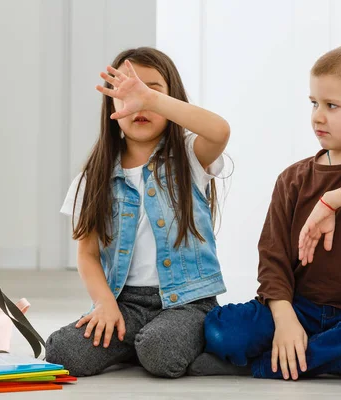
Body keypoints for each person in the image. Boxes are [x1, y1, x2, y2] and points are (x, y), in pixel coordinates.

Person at [196, 41, 341, 380]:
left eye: (331, 105)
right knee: (221, 329)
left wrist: (332, 201)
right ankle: (305, 352)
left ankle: (274, 364)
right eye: (314, 103)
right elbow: (273, 259)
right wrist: (284, 319)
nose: (317, 116)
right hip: (296, 307)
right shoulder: (293, 179)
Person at [45, 47, 230, 378]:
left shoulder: (190, 157)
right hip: (125, 304)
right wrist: (104, 304)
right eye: (126, 92)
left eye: (150, 91)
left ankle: (206, 351)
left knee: (160, 353)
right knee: (61, 351)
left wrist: (151, 100)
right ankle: (138, 344)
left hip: (186, 304)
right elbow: (87, 254)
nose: (139, 101)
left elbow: (219, 130)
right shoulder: (93, 177)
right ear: (111, 104)